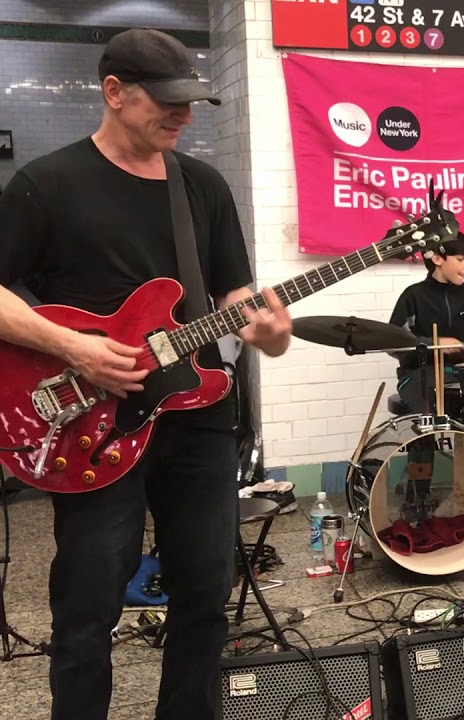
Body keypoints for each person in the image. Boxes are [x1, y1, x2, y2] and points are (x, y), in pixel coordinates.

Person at [0, 29, 293, 720]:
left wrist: (268, 330)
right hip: (92, 425)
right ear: (113, 92)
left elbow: (231, 296)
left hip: (199, 422)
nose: (184, 116)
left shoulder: (203, 185)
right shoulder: (48, 184)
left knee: (204, 595)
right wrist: (72, 347)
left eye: (191, 102)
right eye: (167, 102)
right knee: (88, 605)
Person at [389, 231, 464, 398]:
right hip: (418, 375)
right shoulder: (413, 295)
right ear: (438, 259)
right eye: (460, 259)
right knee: (434, 404)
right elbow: (393, 342)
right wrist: (434, 344)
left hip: (456, 371)